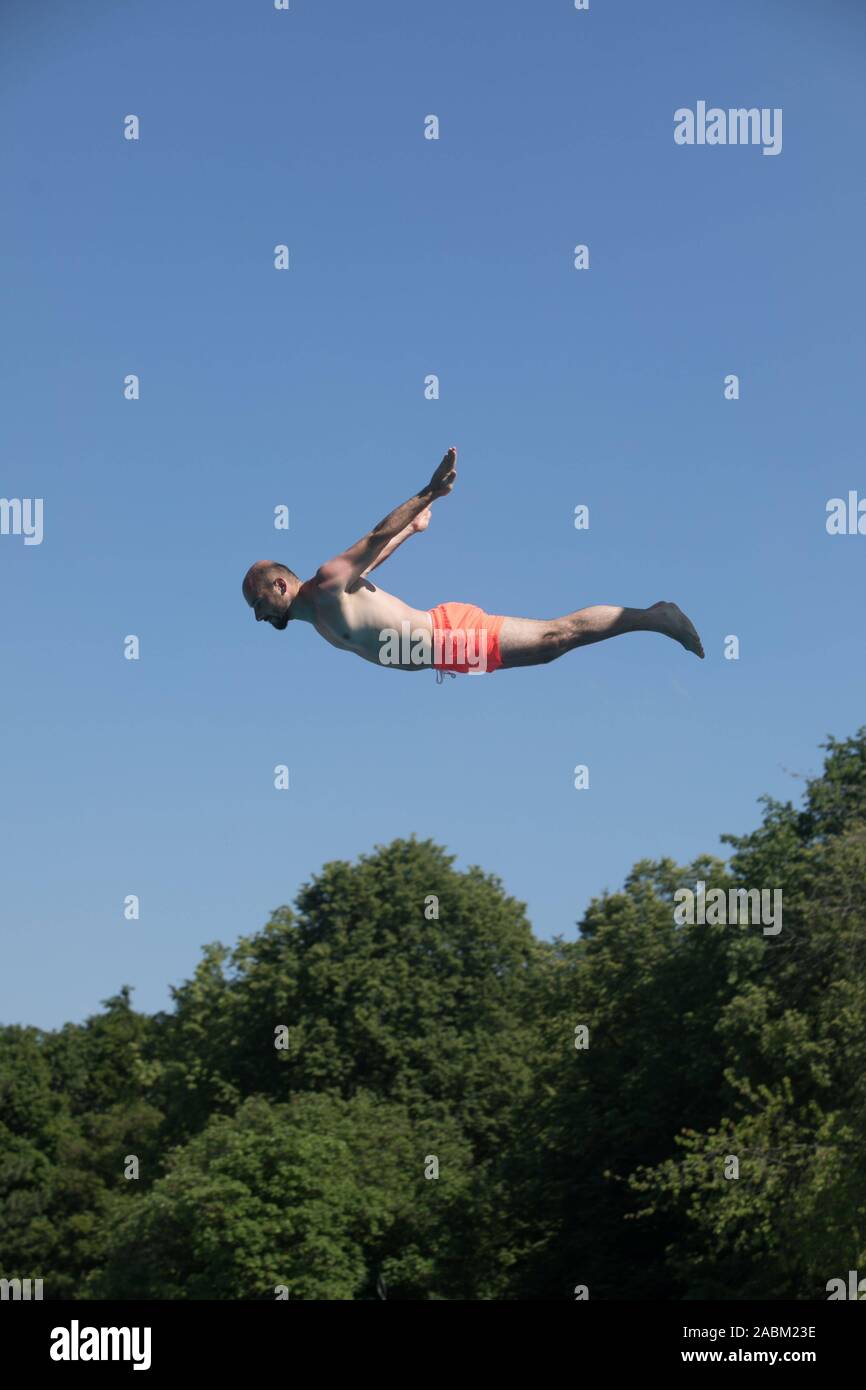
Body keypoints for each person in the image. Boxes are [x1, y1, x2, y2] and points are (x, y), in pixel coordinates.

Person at [242, 448, 704, 676]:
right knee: (551, 648)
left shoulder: (325, 583)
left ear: (280, 586)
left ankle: (655, 617)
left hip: (447, 636)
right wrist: (413, 530)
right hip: (446, 656)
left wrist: (429, 492)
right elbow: (375, 559)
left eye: (256, 602)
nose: (257, 615)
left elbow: (373, 538)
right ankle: (652, 617)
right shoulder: (322, 612)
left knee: (554, 637)